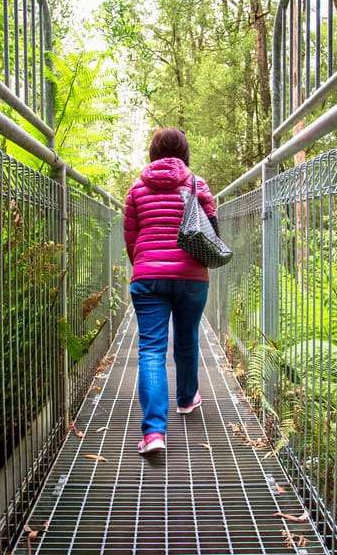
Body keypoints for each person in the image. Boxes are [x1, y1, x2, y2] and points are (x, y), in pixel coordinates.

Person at [123, 127, 219, 455]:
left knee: (151, 349)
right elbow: (212, 231)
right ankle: (187, 398)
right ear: (184, 152)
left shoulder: (136, 189)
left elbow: (131, 237)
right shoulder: (197, 184)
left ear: (153, 153)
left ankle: (153, 434)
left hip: (148, 276)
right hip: (192, 276)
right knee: (187, 338)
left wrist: (143, 265)